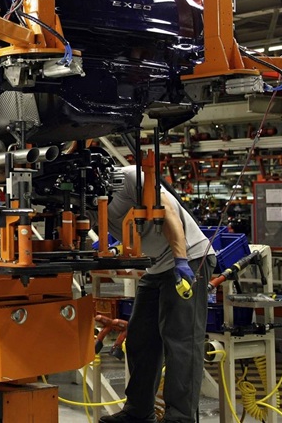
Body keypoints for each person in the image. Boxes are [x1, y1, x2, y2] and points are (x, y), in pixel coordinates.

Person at [94, 165, 216, 423]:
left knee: (181, 341)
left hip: (189, 258)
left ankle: (180, 418)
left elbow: (168, 212)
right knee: (140, 339)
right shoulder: (85, 197)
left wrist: (181, 260)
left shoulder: (131, 177)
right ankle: (138, 412)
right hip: (156, 266)